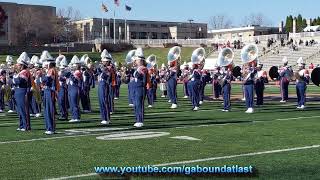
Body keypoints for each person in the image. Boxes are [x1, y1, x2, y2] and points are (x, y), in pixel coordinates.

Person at [41, 51, 59, 135]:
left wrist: (41, 78)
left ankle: (51, 128)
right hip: (47, 91)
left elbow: (47, 80)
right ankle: (48, 127)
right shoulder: (49, 71)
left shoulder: (52, 70)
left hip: (51, 91)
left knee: (50, 110)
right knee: (46, 110)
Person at [13, 52, 32, 131]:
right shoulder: (20, 72)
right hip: (18, 91)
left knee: (23, 109)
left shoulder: (25, 72)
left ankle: (26, 125)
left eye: (19, 65)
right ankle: (21, 125)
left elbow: (19, 81)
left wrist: (14, 78)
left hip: (23, 91)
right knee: (19, 110)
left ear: (23, 65)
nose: (18, 66)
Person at [132, 48, 148, 127]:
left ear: (141, 60)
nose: (135, 61)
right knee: (135, 104)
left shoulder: (143, 68)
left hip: (140, 88)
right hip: (135, 88)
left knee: (139, 104)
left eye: (137, 60)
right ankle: (137, 119)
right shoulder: (137, 69)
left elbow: (144, 79)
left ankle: (140, 120)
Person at [98, 50, 113, 125]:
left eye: (104, 61)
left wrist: (102, 68)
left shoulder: (109, 68)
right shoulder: (103, 68)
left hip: (105, 85)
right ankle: (103, 118)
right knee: (101, 102)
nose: (103, 62)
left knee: (104, 101)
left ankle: (107, 118)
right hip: (100, 85)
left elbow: (105, 75)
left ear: (107, 62)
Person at [68, 56, 82, 123]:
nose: (73, 67)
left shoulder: (78, 72)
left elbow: (74, 79)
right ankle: (73, 116)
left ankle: (77, 117)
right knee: (71, 104)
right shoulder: (73, 72)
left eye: (74, 66)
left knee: (75, 103)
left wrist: (70, 73)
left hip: (75, 89)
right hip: (71, 89)